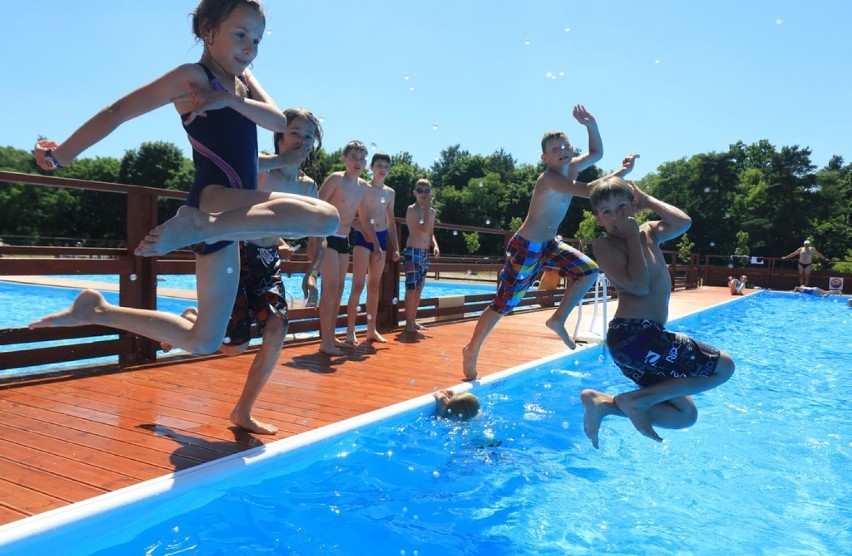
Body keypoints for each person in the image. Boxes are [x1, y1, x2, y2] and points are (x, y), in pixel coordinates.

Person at [29, 1, 339, 361]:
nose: (249, 48)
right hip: (215, 199)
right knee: (327, 217)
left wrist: (228, 97)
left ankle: (96, 310)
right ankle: (199, 226)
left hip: (229, 216)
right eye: (240, 35)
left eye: (256, 40)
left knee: (205, 340)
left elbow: (277, 121)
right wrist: (61, 154)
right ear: (208, 31)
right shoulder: (190, 78)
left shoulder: (240, 83)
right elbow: (118, 111)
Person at [164, 107, 325, 434]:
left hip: (267, 258)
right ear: (280, 135)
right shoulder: (261, 166)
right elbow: (245, 183)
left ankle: (243, 410)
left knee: (277, 327)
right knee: (232, 346)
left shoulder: (309, 187)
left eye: (308, 135)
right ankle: (192, 320)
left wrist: (311, 271)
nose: (301, 140)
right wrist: (281, 162)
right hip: (235, 251)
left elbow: (318, 230)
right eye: (295, 132)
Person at [462, 105, 615, 381]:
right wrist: (620, 178)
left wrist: (591, 125)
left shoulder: (573, 167)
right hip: (527, 247)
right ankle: (472, 349)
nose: (562, 150)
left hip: (550, 245)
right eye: (554, 149)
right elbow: (588, 191)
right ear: (545, 158)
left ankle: (557, 319)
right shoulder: (550, 178)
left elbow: (597, 154)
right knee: (503, 304)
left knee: (589, 271)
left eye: (565, 145)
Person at [580, 177, 735, 448]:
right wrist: (631, 237)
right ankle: (634, 401)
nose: (616, 215)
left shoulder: (649, 232)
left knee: (685, 414)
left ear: (634, 206)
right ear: (598, 219)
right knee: (724, 367)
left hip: (646, 339)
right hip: (635, 335)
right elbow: (638, 287)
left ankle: (604, 404)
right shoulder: (605, 245)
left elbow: (683, 222)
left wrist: (649, 200)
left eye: (622, 206)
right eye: (607, 211)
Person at [315, 141, 374, 355]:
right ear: (344, 159)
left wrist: (374, 241)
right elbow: (316, 204)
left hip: (343, 239)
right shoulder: (336, 179)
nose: (358, 162)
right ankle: (325, 342)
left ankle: (330, 337)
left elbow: (362, 217)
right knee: (330, 288)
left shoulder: (363, 187)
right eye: (353, 158)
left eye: (362, 159)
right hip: (327, 236)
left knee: (339, 288)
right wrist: (314, 241)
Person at [345, 152, 400, 344]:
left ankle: (371, 330)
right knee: (358, 285)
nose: (382, 169)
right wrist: (369, 236)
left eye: (386, 166)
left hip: (382, 237)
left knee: (374, 286)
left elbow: (391, 222)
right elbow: (356, 217)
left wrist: (396, 247)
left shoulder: (390, 192)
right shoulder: (363, 187)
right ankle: (350, 331)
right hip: (363, 237)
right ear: (372, 168)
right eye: (379, 166)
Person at [402, 179, 440, 333]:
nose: (424, 194)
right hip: (412, 252)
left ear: (431, 192)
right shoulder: (412, 210)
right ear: (414, 193)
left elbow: (430, 233)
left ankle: (413, 319)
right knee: (411, 288)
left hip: (424, 253)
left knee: (419, 289)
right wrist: (427, 207)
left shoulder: (432, 212)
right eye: (420, 191)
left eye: (427, 191)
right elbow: (423, 227)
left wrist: (435, 245)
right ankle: (408, 322)